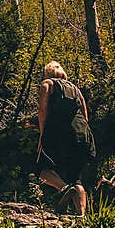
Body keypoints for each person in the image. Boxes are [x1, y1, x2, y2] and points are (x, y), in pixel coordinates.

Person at [34, 61, 96, 215]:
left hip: (58, 132)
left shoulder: (47, 84)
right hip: (82, 134)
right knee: (76, 177)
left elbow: (42, 110)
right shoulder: (75, 89)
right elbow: (85, 115)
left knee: (41, 170)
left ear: (47, 73)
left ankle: (65, 188)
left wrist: (43, 134)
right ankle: (81, 216)